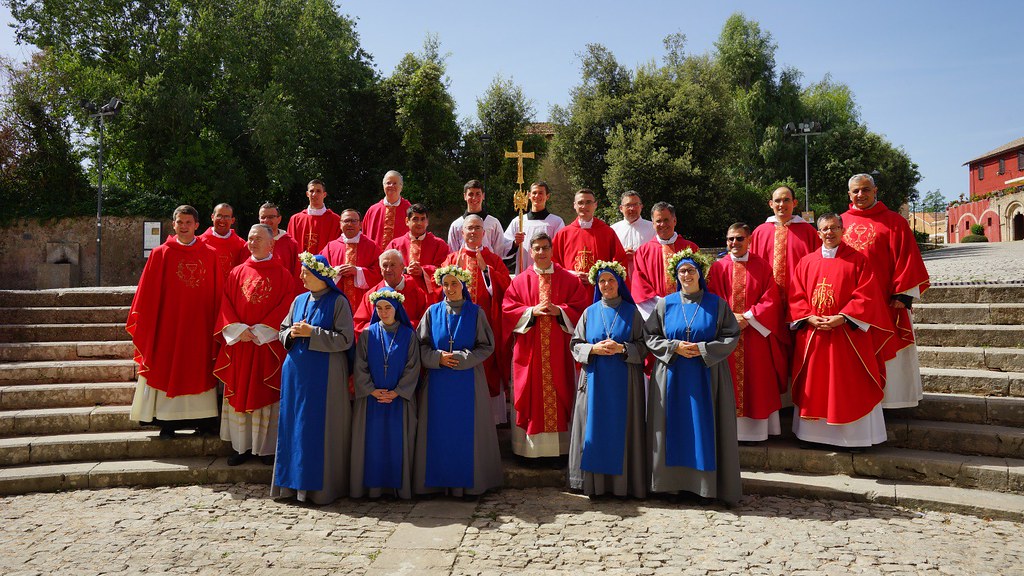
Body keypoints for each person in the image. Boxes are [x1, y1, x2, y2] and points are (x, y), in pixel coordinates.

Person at [789, 213, 897, 449]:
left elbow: (867, 296)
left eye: (834, 228)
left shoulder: (858, 261)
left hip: (847, 334)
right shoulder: (806, 262)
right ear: (818, 233)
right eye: (825, 229)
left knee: (848, 385)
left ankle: (855, 439)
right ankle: (813, 436)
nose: (830, 232)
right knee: (815, 386)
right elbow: (796, 295)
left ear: (843, 230)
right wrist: (809, 316)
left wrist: (843, 317)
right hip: (815, 335)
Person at [644, 249, 741, 505]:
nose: (686, 275)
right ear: (676, 275)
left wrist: (703, 349)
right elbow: (650, 336)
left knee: (702, 428)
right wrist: (674, 346)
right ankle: (671, 486)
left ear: (700, 273)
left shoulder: (717, 304)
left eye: (690, 270)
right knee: (672, 427)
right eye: (681, 271)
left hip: (706, 375)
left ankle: (704, 487)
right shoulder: (665, 304)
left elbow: (731, 335)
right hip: (672, 375)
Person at [127, 205, 222, 438]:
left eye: (188, 222)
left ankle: (203, 420)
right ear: (173, 224)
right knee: (167, 367)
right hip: (168, 326)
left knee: (199, 369)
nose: (184, 226)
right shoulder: (160, 254)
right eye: (180, 222)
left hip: (200, 326)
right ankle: (167, 422)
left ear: (197, 225)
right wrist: (152, 324)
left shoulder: (210, 254)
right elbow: (147, 293)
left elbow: (217, 293)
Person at [271, 252, 355, 505]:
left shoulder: (338, 302)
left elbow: (346, 339)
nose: (301, 276)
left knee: (317, 427)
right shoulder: (298, 300)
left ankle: (319, 490)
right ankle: (291, 485)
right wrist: (291, 334)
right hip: (296, 375)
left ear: (319, 275)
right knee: (294, 426)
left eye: (306, 272)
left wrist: (312, 332)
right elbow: (282, 330)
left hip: (325, 374)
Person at [841, 173, 930, 409]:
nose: (861, 194)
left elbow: (908, 257)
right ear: (849, 194)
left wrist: (903, 294)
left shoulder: (894, 221)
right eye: (856, 191)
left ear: (875, 190)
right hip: (849, 303)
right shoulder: (840, 223)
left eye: (865, 189)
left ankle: (889, 402)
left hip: (885, 301)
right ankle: (856, 402)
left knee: (888, 348)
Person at [414, 265, 503, 498]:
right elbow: (419, 346)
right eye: (445, 284)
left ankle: (470, 485)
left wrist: (463, 359)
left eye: (454, 284)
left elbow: (487, 346)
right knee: (438, 432)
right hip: (438, 382)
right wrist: (437, 358)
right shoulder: (432, 312)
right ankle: (437, 484)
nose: (450, 288)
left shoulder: (476, 313)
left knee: (467, 433)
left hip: (468, 379)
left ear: (463, 285)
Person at [502, 232, 591, 460]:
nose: (541, 252)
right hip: (530, 351)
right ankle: (529, 453)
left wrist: (559, 311)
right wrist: (531, 311)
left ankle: (561, 451)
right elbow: (508, 310)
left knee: (561, 392)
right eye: (537, 248)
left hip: (559, 351)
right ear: (530, 252)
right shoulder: (519, 281)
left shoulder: (568, 279)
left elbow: (582, 309)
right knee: (530, 396)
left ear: (552, 250)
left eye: (545, 247)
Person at [213, 224, 293, 465]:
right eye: (250, 238)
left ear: (271, 244)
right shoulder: (236, 272)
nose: (252, 242)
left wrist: (260, 331)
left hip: (266, 345)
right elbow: (226, 303)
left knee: (264, 394)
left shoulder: (283, 275)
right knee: (240, 392)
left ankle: (266, 449)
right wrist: (239, 331)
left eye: (258, 238)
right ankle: (241, 447)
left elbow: (287, 306)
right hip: (241, 344)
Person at [568, 261, 648, 498]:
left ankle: (623, 486)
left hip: (625, 383)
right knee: (593, 430)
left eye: (611, 280)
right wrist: (593, 349)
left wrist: (622, 348)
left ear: (620, 282)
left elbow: (644, 347)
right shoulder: (589, 312)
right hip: (594, 381)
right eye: (602, 281)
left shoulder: (632, 313)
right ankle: (595, 485)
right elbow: (575, 344)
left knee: (621, 431)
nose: (606, 285)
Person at [706, 223, 787, 443]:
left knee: (757, 380)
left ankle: (757, 432)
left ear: (749, 240)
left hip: (755, 333)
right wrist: (731, 318)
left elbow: (771, 299)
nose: (734, 243)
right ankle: (728, 430)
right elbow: (711, 298)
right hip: (726, 333)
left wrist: (749, 317)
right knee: (728, 381)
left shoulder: (762, 266)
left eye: (739, 238)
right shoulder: (718, 267)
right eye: (730, 239)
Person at [439, 214, 512, 423]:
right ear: (462, 232)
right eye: (469, 228)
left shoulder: (493, 259)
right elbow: (438, 291)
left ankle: (490, 419)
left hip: (485, 323)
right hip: (456, 325)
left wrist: (486, 271)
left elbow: (507, 288)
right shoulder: (452, 259)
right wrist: (454, 273)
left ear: (484, 232)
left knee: (487, 367)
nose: (473, 232)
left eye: (477, 228)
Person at [350, 289, 421, 499]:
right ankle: (373, 490)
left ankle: (398, 489)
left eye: (388, 307)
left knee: (397, 445)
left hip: (399, 400)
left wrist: (398, 392)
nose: (383, 312)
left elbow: (413, 367)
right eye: (379, 308)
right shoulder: (367, 334)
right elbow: (360, 365)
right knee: (373, 444)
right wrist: (371, 390)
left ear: (396, 308)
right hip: (371, 400)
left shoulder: (409, 335)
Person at [630, 202, 700, 320]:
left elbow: (701, 280)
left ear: (674, 221)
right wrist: (662, 306)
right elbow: (640, 287)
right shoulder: (643, 252)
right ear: (653, 224)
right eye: (658, 221)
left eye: (666, 220)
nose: (662, 224)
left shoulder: (691, 248)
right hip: (656, 312)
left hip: (689, 309)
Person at [749, 186, 821, 300]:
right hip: (766, 298)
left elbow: (818, 266)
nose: (781, 204)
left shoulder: (809, 232)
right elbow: (753, 267)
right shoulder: (759, 232)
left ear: (794, 203)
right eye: (777, 201)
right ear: (771, 204)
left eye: (786, 200)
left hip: (799, 297)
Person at [552, 188, 627, 285]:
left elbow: (619, 262)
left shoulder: (607, 232)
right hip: (571, 287)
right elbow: (553, 261)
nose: (584, 206)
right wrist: (571, 274)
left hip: (600, 289)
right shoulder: (563, 234)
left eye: (588, 202)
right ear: (574, 205)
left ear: (595, 205)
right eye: (580, 203)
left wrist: (597, 276)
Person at [351, 249, 429, 334]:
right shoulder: (371, 295)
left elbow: (425, 322)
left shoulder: (417, 293)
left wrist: (403, 328)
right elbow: (359, 325)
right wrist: (381, 329)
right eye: (385, 265)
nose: (388, 269)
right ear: (381, 270)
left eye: (392, 265)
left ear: (402, 267)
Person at [319, 209, 382, 311]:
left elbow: (380, 272)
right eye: (346, 221)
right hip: (335, 300)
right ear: (340, 224)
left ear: (360, 224)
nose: (350, 224)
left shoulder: (372, 246)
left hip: (363, 300)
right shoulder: (331, 247)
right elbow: (320, 271)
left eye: (354, 221)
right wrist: (335, 271)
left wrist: (357, 271)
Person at [385, 203, 449, 298]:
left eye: (423, 219)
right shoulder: (395, 244)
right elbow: (385, 268)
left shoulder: (439, 244)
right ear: (407, 221)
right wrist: (405, 270)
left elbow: (445, 270)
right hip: (401, 295)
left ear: (427, 222)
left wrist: (423, 271)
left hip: (429, 297)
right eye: (415, 219)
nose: (419, 223)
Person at [503, 181, 565, 275]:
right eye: (534, 193)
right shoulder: (518, 221)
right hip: (524, 271)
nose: (537, 196)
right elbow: (504, 247)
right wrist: (515, 243)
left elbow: (559, 250)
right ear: (529, 195)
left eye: (541, 193)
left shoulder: (556, 222)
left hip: (547, 272)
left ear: (547, 196)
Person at [447, 179, 513, 255]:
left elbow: (499, 251)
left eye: (478, 194)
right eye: (471, 194)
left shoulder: (493, 223)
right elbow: (453, 252)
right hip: (464, 262)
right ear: (465, 196)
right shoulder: (456, 225)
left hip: (488, 262)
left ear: (483, 196)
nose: (474, 198)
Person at [239, 202, 301, 281]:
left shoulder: (291, 244)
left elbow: (297, 274)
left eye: (271, 217)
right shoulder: (250, 245)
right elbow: (243, 272)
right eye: (263, 217)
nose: (266, 220)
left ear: (279, 219)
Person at [287, 179, 341, 254]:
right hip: (300, 261)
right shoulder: (295, 220)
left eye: (318, 191)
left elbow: (339, 247)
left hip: (327, 261)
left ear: (324, 194)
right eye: (311, 191)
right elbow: (290, 246)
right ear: (307, 194)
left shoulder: (335, 220)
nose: (314, 194)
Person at [363, 170, 413, 248]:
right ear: (383, 186)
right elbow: (365, 236)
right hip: (377, 254)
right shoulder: (373, 210)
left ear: (401, 187)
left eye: (395, 183)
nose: (391, 186)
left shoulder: (409, 210)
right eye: (388, 183)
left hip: (401, 254)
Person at [609, 191, 656, 273]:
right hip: (620, 277)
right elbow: (608, 256)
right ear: (621, 208)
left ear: (641, 206)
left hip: (645, 275)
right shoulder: (613, 230)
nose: (632, 208)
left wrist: (637, 256)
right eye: (628, 205)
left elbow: (657, 254)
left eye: (635, 204)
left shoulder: (653, 228)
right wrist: (622, 255)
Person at [200, 203, 246, 282]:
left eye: (226, 216)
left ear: (232, 220)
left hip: (231, 288)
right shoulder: (200, 242)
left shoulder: (241, 244)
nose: (222, 220)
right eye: (219, 215)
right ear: (212, 217)